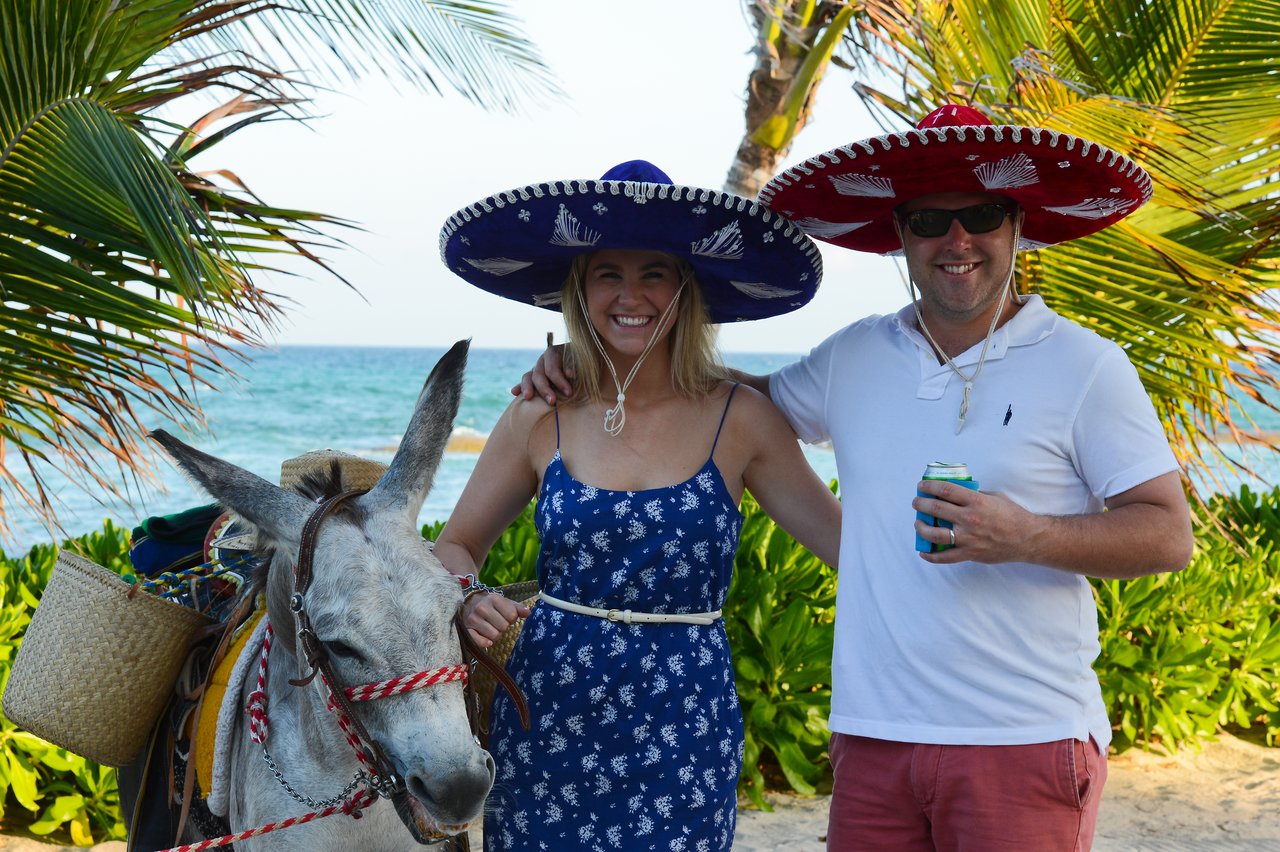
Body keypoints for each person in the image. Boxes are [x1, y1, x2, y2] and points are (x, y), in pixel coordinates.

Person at [517, 107, 1196, 850]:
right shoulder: (856, 356)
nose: (957, 240)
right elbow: (717, 405)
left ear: (1017, 224)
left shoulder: (1086, 366)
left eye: (981, 214)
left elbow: (1167, 534)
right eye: (931, 220)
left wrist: (1024, 532)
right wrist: (587, 371)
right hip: (872, 740)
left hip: (1023, 735)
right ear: (900, 235)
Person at [432, 159, 842, 851]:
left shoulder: (740, 418)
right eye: (608, 274)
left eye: (654, 272)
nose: (632, 295)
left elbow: (857, 554)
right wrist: (467, 599)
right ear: (578, 289)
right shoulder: (540, 414)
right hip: (546, 717)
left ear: (686, 289)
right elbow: (456, 544)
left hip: (685, 723)